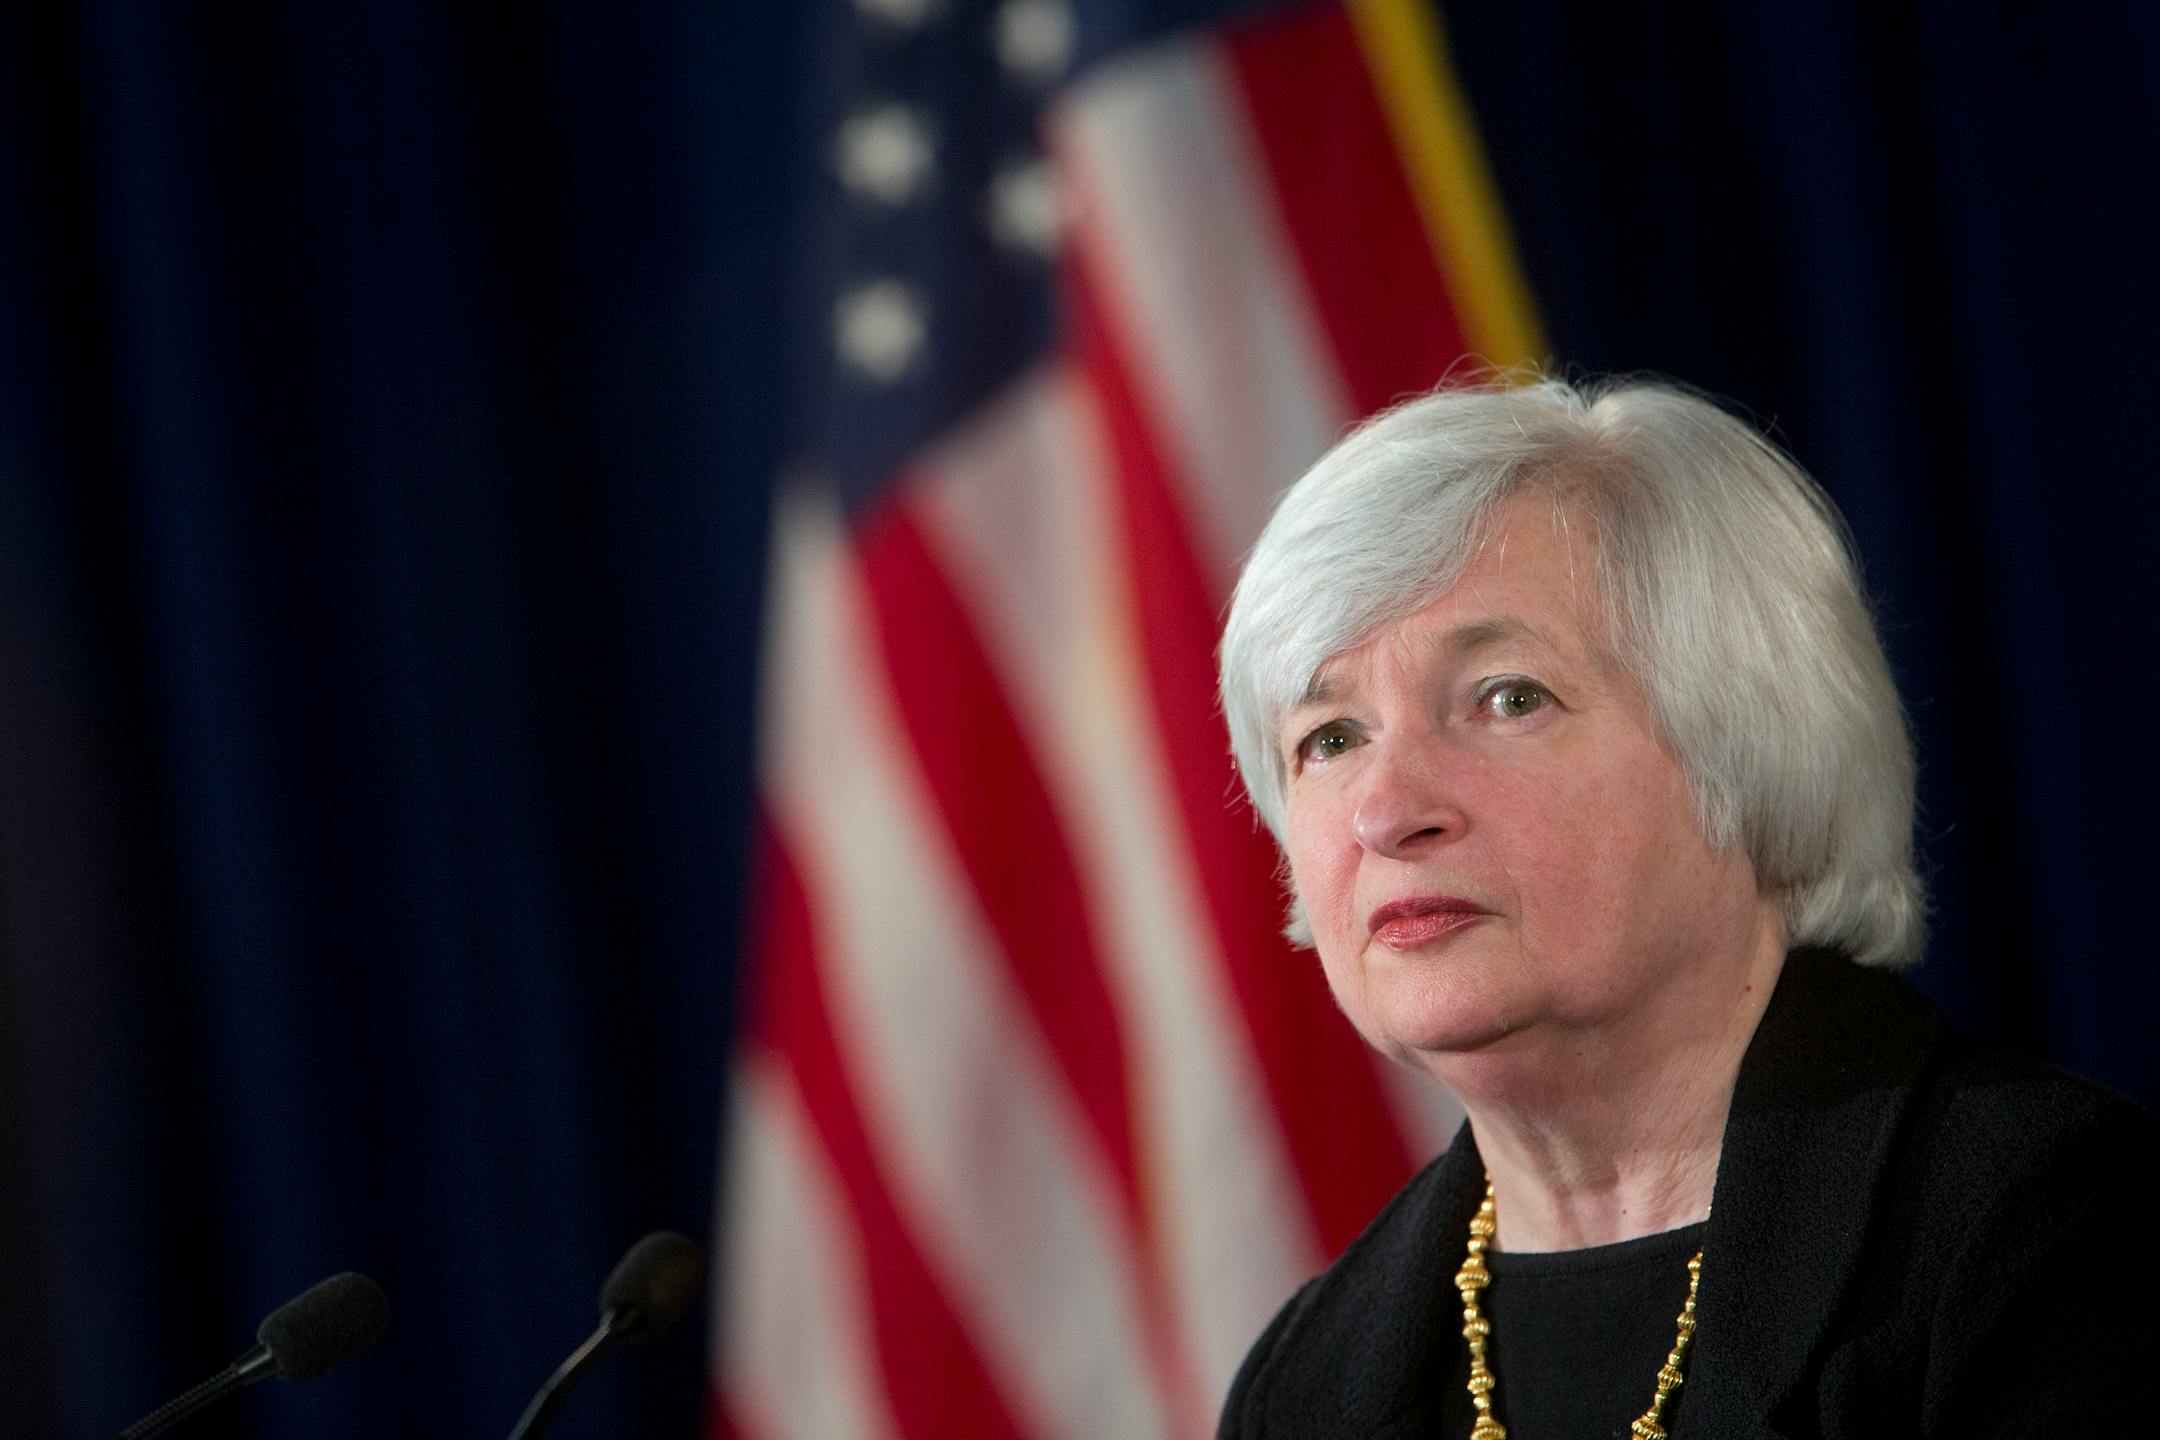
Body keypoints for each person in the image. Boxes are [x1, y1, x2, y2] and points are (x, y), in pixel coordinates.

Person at [1212, 374, 2158, 1438]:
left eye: (1508, 698)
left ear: (1750, 748)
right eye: (1329, 738)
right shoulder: (1308, 1385)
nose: (1385, 810)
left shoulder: (2052, 1242)